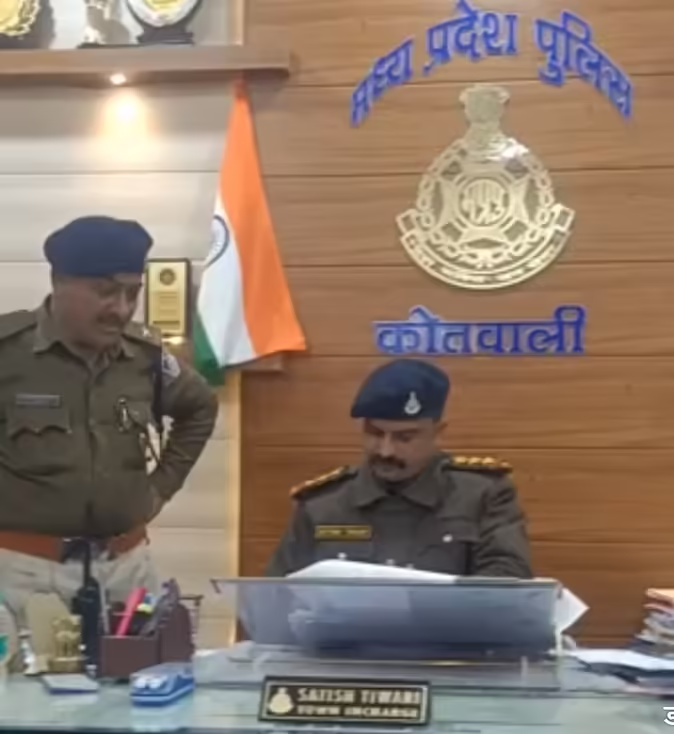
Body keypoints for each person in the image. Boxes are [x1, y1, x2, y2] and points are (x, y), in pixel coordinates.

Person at [0, 215, 218, 645]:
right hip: (22, 575)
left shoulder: (145, 357)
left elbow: (200, 407)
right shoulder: (8, 354)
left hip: (126, 573)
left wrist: (161, 488)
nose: (120, 308)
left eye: (132, 293)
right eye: (104, 291)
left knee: (139, 684)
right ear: (59, 282)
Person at [267, 359, 532, 578]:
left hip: (449, 628)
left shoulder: (481, 496)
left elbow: (506, 585)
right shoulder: (323, 504)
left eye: (404, 438)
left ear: (437, 433)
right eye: (375, 434)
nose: (386, 451)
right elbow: (278, 595)